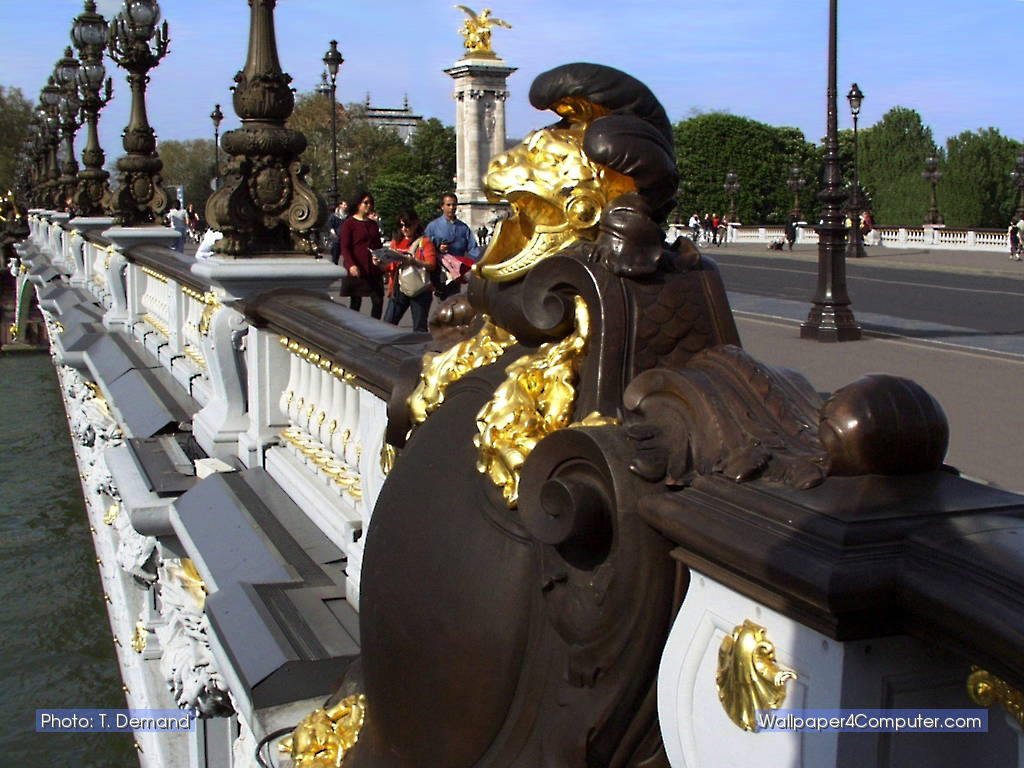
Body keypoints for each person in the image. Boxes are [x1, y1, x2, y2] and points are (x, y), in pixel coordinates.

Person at [381, 210, 437, 332]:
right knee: (387, 323)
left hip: (420, 288)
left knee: (419, 327)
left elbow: (431, 265)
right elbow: (389, 266)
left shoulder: (424, 242)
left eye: (407, 225)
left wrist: (414, 261)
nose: (404, 229)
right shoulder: (396, 242)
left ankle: (419, 350)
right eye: (401, 226)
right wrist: (380, 262)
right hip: (399, 287)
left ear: (415, 224)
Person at [424, 193, 480, 300]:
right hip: (439, 271)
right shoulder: (433, 227)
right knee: (441, 304)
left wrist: (476, 264)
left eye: (454, 205)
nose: (451, 208)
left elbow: (473, 248)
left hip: (456, 271)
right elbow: (424, 247)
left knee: (454, 301)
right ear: (442, 206)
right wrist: (437, 248)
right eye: (448, 205)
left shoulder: (463, 228)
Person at [339, 191, 384, 318]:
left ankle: (375, 327)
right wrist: (351, 265)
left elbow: (378, 245)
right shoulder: (349, 224)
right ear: (358, 204)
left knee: (378, 300)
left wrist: (381, 259)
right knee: (356, 302)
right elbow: (345, 248)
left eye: (371, 203)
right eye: (365, 203)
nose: (368, 205)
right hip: (358, 268)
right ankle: (355, 328)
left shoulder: (373, 224)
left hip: (373, 268)